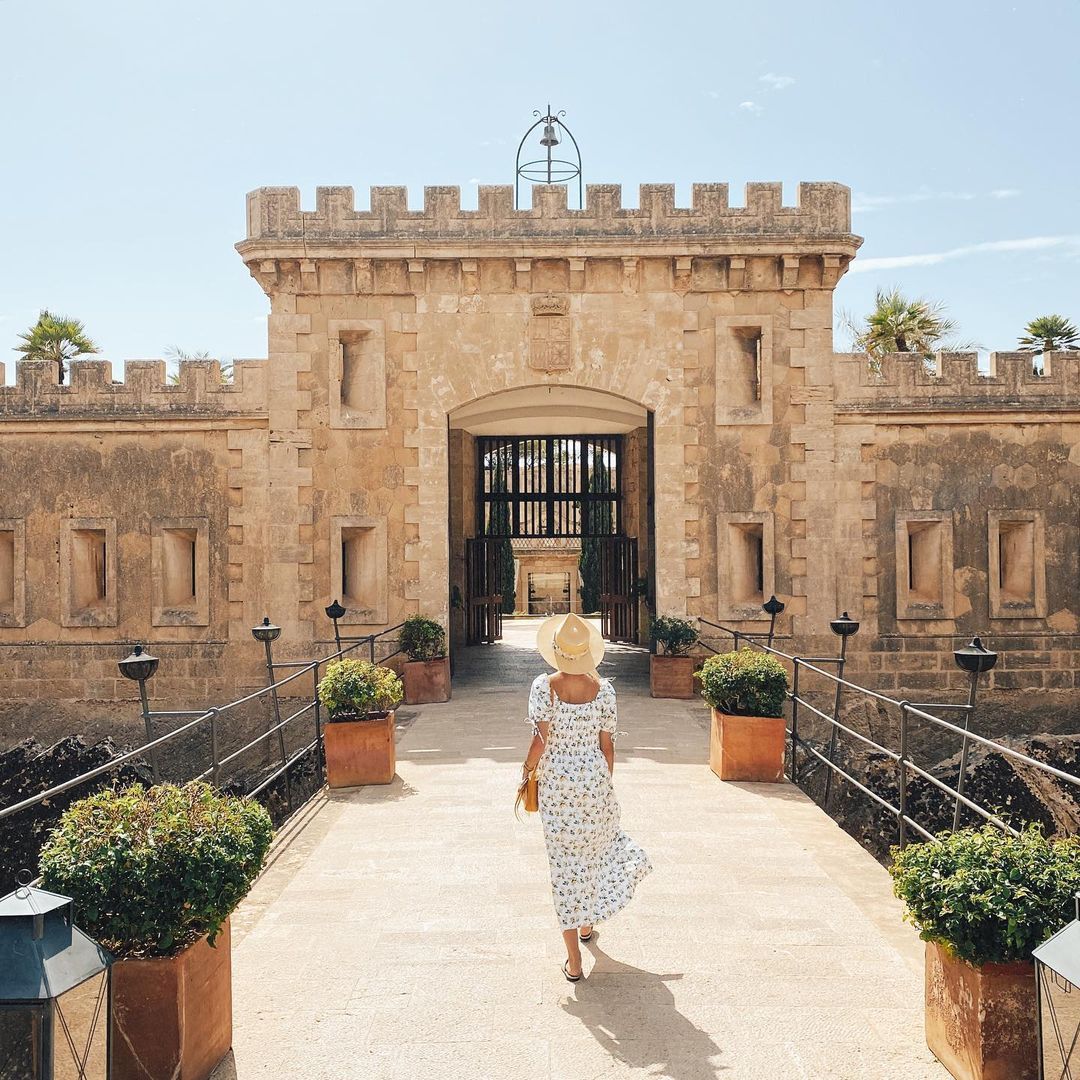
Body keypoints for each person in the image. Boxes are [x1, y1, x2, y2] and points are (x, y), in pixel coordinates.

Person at [521, 612, 652, 982]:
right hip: (594, 784)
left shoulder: (543, 687)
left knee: (564, 867)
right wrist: (600, 785)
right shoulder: (605, 690)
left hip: (558, 787)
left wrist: (526, 770)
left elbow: (540, 741)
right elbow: (607, 748)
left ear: (557, 651)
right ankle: (586, 925)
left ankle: (575, 961)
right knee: (592, 854)